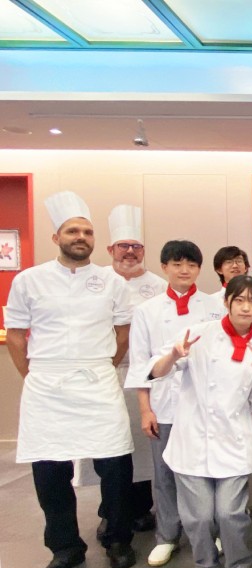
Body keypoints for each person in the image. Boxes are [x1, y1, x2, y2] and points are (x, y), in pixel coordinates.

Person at [5, 191, 136, 568]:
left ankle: (117, 538)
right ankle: (65, 548)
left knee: (115, 464)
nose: (81, 237)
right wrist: (34, 374)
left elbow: (123, 334)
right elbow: (14, 336)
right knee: (49, 470)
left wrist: (101, 366)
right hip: (46, 383)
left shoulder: (111, 281)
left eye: (87, 231)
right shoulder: (29, 280)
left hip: (97, 378)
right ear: (56, 237)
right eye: (72, 230)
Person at [151, 275, 252, 568]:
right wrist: (174, 355)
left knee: (230, 512)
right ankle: (204, 566)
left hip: (234, 439)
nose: (246, 307)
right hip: (193, 438)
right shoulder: (198, 335)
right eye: (239, 300)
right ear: (226, 302)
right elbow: (156, 371)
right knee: (199, 514)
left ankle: (239, 564)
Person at [125, 240, 224, 567]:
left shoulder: (214, 307)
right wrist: (145, 409)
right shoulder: (146, 311)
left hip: (205, 404)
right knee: (165, 472)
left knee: (209, 470)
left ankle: (215, 530)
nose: (184, 270)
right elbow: (140, 364)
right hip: (164, 404)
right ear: (165, 267)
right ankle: (167, 534)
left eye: (191, 265)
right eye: (177, 264)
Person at [75, 204, 166, 540]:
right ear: (110, 249)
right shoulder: (94, 282)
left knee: (142, 443)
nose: (130, 253)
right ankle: (110, 511)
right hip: (104, 374)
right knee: (108, 447)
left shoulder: (157, 286)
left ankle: (141, 508)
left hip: (145, 376)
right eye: (123, 247)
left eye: (136, 247)